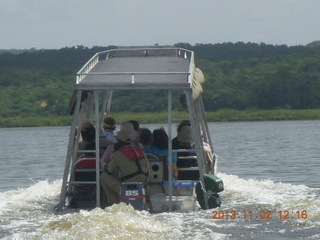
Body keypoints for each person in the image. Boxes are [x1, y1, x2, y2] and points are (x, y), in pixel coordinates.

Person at [100, 122, 149, 206]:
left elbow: (109, 171)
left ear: (118, 140)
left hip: (127, 185)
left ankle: (115, 203)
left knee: (103, 176)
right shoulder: (140, 151)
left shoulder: (117, 154)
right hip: (144, 183)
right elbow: (148, 168)